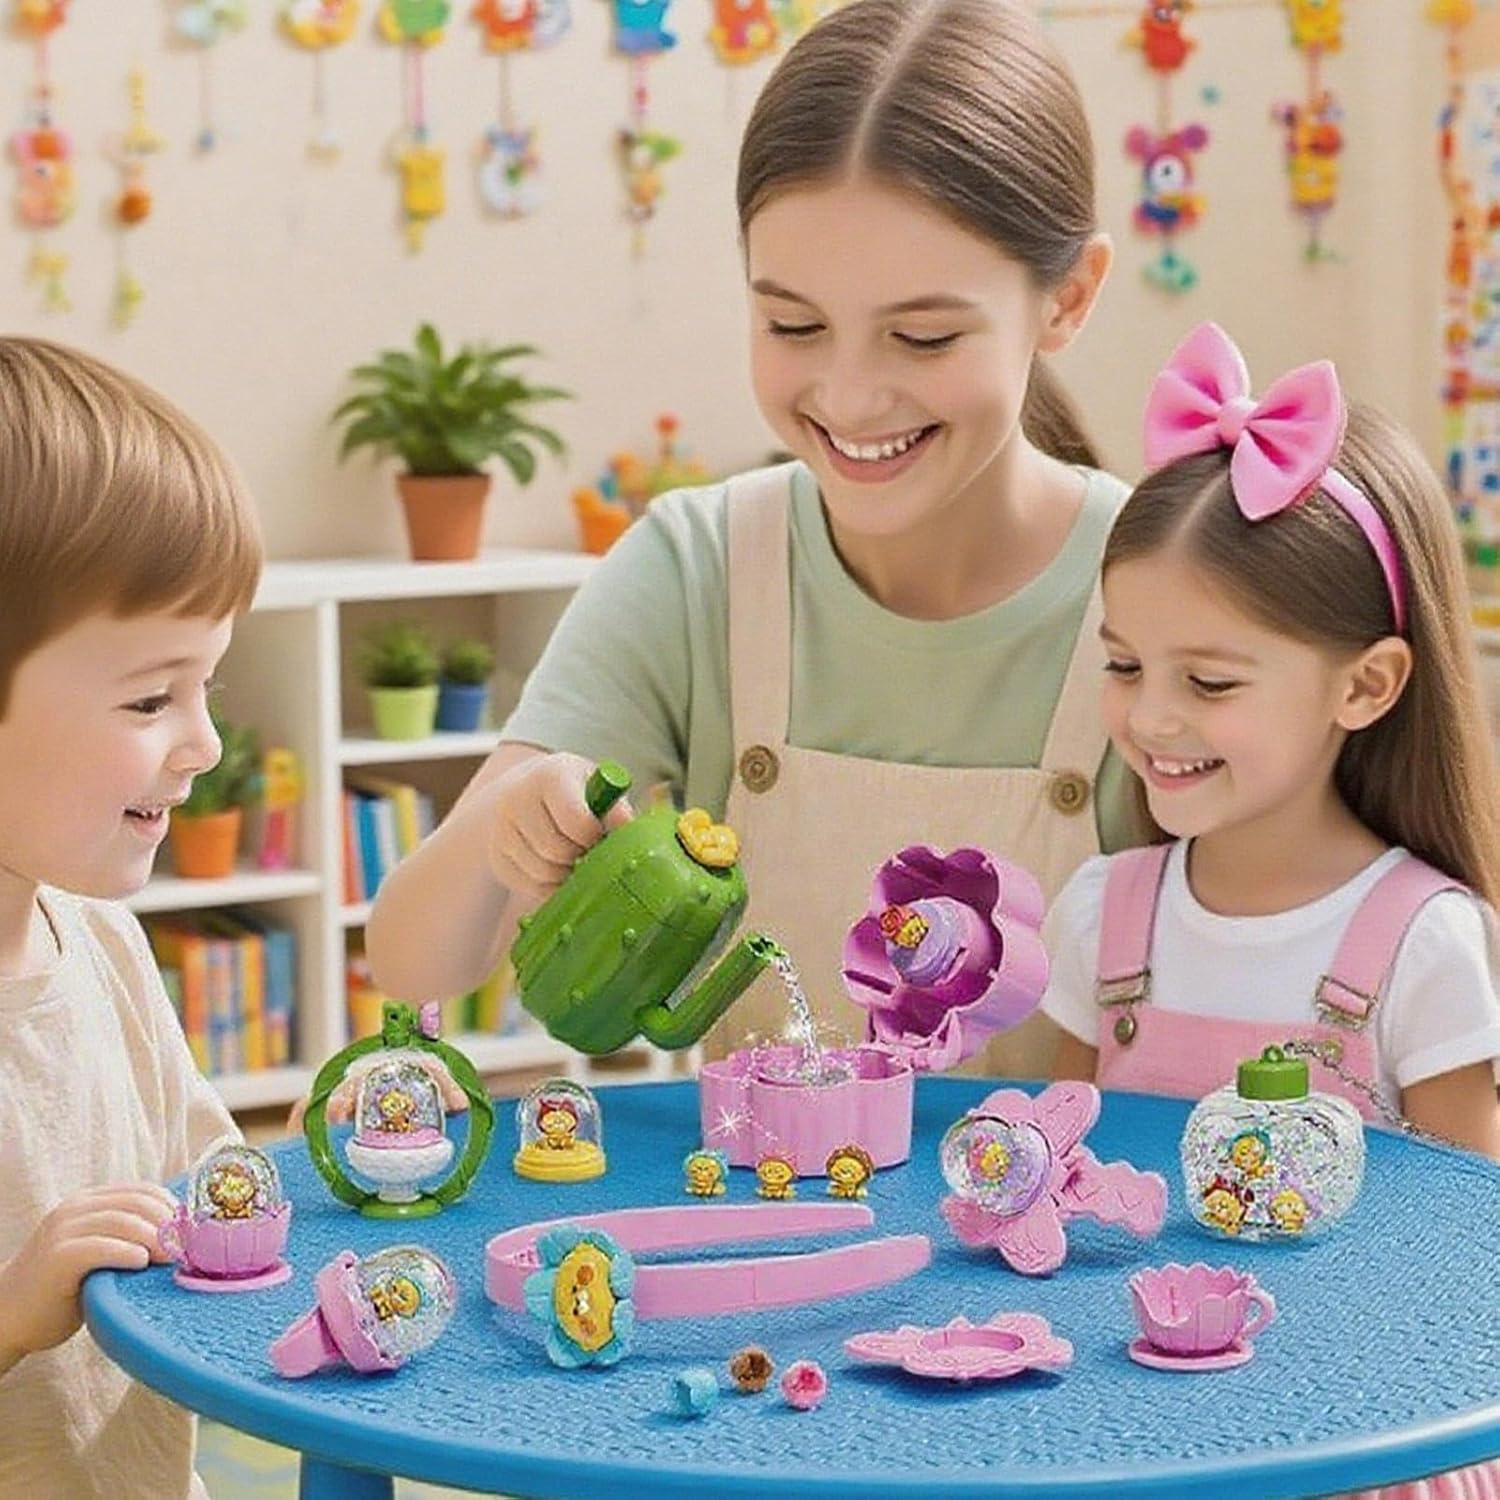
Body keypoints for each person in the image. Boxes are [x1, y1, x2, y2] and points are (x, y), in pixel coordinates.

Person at [368, 0, 1142, 1073]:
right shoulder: (700, 567)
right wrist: (512, 824)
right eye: (794, 324)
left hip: (1081, 1184)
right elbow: (410, 961)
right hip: (756, 1178)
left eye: (922, 336)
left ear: (1068, 298)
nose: (851, 396)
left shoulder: (1164, 587)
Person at [1042, 322, 1500, 1161]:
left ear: (1364, 686)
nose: (1151, 718)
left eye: (1209, 682)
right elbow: (1059, 1170)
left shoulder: (1422, 945)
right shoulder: (1102, 915)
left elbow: (1470, 1220)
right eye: (1125, 665)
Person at [0, 336, 263, 1500]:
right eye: (153, 697)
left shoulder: (103, 943)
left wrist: (346, 1143)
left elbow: (215, 1187)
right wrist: (12, 1314)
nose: (203, 744)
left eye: (207, 685)